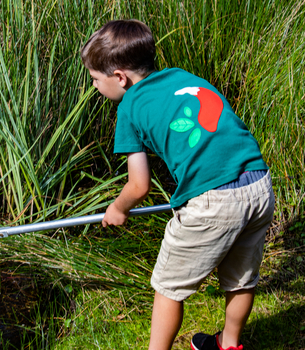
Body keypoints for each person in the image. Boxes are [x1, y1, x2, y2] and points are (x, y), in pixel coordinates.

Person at [80, 19, 275, 350]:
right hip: (258, 184)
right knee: (241, 278)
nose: (95, 87)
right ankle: (229, 345)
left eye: (96, 80)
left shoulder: (129, 107)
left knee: (168, 287)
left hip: (214, 199)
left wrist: (117, 208)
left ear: (119, 77)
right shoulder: (183, 77)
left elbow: (138, 185)